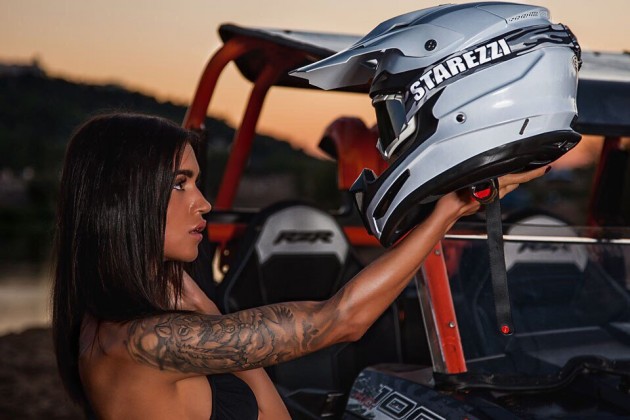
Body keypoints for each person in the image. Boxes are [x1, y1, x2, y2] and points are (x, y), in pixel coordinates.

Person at [52, 112, 547, 419]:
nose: (203, 203)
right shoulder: (138, 343)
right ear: (124, 200)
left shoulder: (162, 314)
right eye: (180, 185)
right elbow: (341, 320)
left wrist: (202, 303)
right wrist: (449, 211)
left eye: (197, 183)